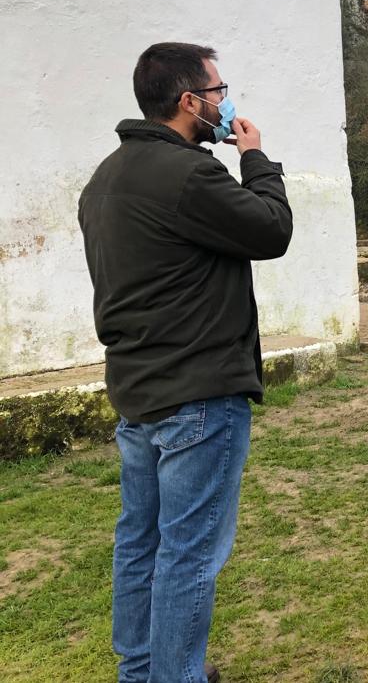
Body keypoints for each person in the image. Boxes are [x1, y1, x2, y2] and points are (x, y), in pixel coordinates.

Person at [78, 42, 293, 683]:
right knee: (189, 554)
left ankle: (143, 670)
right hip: (198, 392)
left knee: (141, 543)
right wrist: (255, 158)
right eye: (220, 92)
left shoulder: (106, 177)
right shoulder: (190, 176)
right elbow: (270, 230)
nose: (227, 103)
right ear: (189, 101)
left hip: (138, 392)